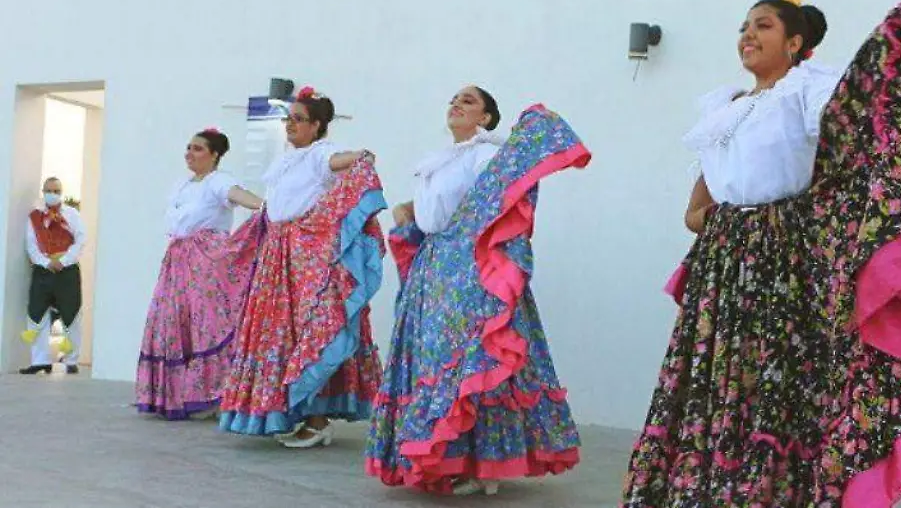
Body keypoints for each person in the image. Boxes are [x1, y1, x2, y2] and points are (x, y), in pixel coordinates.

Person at [621, 0, 901, 506]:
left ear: (795, 43)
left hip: (783, 268)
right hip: (723, 272)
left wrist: (892, 48)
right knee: (717, 387)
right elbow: (695, 213)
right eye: (743, 26)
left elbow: (854, 140)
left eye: (762, 26)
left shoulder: (806, 92)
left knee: (778, 388)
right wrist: (733, 224)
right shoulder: (720, 111)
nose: (747, 35)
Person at [365, 86, 589, 496]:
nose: (456, 104)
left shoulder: (487, 155)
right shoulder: (440, 161)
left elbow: (497, 200)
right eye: (453, 98)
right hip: (434, 267)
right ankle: (450, 457)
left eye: (469, 101)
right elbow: (440, 209)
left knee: (471, 359)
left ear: (485, 119)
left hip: (470, 267)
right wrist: (406, 212)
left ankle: (479, 463)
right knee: (438, 362)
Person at [218, 86, 386, 449]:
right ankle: (295, 413)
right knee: (283, 335)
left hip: (304, 258)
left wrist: (359, 155)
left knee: (312, 331)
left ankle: (318, 419)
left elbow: (338, 162)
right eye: (288, 119)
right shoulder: (286, 160)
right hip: (278, 257)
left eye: (298, 120)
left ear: (318, 126)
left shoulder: (318, 155)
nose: (290, 125)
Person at [135, 128, 264, 420]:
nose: (189, 153)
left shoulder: (219, 181)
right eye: (188, 147)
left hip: (207, 259)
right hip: (178, 259)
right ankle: (184, 394)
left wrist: (268, 207)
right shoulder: (182, 185)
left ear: (215, 155)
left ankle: (214, 394)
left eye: (198, 149)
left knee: (207, 322)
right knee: (175, 321)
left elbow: (239, 196)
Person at [20, 176, 86, 375]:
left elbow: (80, 240)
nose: (52, 194)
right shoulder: (35, 217)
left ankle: (71, 359)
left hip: (67, 271)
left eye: (56, 191)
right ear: (43, 192)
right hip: (43, 270)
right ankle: (40, 361)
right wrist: (46, 262)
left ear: (61, 192)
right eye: (49, 190)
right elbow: (31, 245)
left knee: (71, 314)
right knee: (37, 313)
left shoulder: (72, 214)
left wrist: (63, 261)